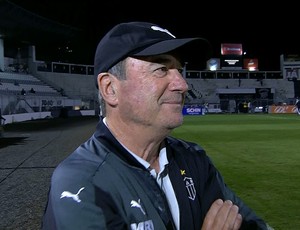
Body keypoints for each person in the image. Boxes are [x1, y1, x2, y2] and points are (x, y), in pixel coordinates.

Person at [42, 21, 273, 230]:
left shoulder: (194, 160)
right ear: (110, 88)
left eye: (179, 70)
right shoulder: (82, 183)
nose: (182, 85)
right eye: (161, 69)